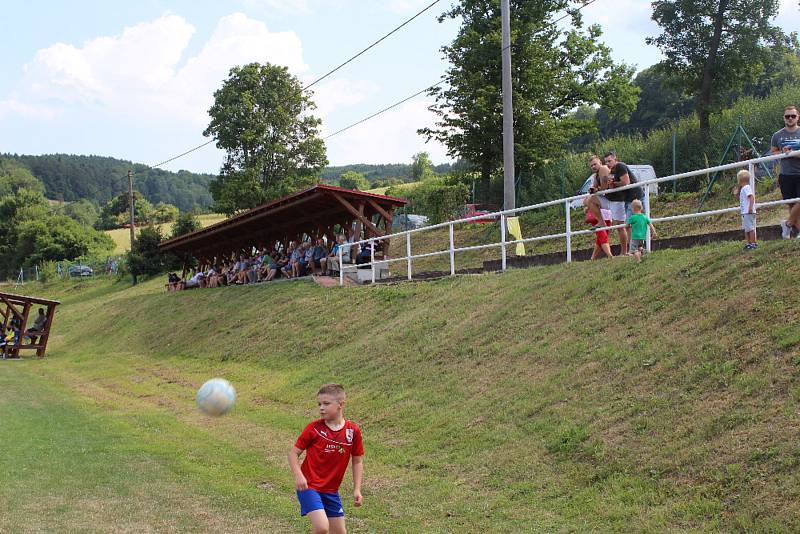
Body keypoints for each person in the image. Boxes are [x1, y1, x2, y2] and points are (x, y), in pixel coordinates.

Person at [288, 384, 364, 534]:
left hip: (331, 490)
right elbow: (293, 454)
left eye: (326, 404)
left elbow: (357, 461)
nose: (321, 408)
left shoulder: (352, 431)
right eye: (319, 404)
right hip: (309, 486)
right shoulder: (314, 428)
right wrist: (299, 476)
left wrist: (357, 489)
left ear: (341, 404)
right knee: (322, 527)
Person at [604, 152, 644, 255]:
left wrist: (614, 183)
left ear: (615, 159)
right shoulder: (612, 170)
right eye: (606, 162)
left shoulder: (620, 166)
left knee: (632, 224)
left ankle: (636, 249)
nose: (608, 163)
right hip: (628, 199)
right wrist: (611, 184)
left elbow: (626, 182)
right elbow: (614, 186)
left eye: (609, 161)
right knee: (631, 225)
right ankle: (636, 249)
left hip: (635, 197)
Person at [771, 105, 800, 238]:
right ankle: (796, 232)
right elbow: (773, 153)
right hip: (786, 175)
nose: (790, 118)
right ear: (784, 118)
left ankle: (787, 224)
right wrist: (782, 152)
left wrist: (794, 153)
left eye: (793, 116)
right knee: (792, 204)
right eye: (787, 116)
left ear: (797, 117)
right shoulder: (777, 135)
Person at [583, 155, 612, 229]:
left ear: (600, 162)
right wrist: (592, 190)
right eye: (591, 166)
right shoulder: (595, 175)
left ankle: (602, 222)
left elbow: (604, 187)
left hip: (615, 199)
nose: (593, 167)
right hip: (609, 199)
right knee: (587, 200)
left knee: (590, 199)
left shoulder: (603, 168)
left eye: (595, 164)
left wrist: (595, 190)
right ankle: (601, 222)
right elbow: (594, 188)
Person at [735, 169, 757, 250]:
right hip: (745, 212)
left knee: (750, 228)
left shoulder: (746, 187)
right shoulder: (743, 189)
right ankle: (748, 243)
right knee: (747, 228)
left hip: (748, 212)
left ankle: (753, 243)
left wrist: (750, 208)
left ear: (740, 180)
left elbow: (751, 197)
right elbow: (742, 199)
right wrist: (737, 194)